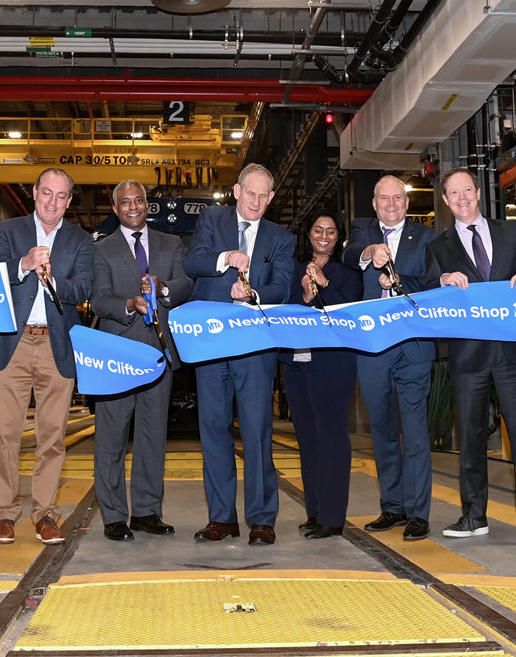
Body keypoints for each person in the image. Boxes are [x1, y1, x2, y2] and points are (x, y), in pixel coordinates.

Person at [424, 167, 516, 542]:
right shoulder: (439, 247)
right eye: (454, 193)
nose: (462, 198)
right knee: (470, 438)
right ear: (447, 201)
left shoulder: (510, 231)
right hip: (468, 357)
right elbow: (427, 292)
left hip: (512, 350)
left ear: (478, 192)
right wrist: (442, 282)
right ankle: (473, 516)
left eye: (467, 189)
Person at [0, 168, 92, 545]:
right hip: (13, 342)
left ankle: (45, 514)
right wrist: (23, 265)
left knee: (53, 437)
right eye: (47, 193)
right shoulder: (9, 231)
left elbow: (85, 286)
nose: (52, 202)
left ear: (69, 201)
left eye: (61, 196)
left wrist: (55, 282)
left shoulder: (80, 240)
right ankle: (5, 513)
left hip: (55, 345)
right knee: (6, 433)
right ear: (34, 192)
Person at [184, 163, 294, 545]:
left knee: (257, 431)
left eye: (265, 196)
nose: (257, 202)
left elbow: (282, 286)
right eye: (251, 194)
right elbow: (192, 262)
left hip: (255, 346)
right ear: (236, 190)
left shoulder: (281, 238)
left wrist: (255, 295)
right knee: (213, 429)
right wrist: (225, 258)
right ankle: (221, 518)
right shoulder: (212, 221)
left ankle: (262, 520)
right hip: (212, 342)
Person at [89, 179, 193, 541]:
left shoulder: (171, 243)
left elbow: (185, 286)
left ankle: (147, 512)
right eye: (125, 202)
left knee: (152, 436)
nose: (133, 207)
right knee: (112, 436)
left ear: (147, 204)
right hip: (118, 353)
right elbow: (98, 299)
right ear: (115, 209)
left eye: (138, 200)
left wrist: (162, 288)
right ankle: (114, 515)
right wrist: (128, 305)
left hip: (159, 354)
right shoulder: (102, 249)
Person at [341, 176, 438, 541]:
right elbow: (348, 255)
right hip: (372, 346)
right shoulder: (363, 230)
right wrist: (368, 253)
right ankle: (392, 507)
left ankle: (418, 513)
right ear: (375, 203)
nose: (392, 204)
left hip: (413, 347)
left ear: (407, 203)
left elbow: (432, 285)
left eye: (398, 198)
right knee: (381, 430)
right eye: (385, 198)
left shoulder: (426, 237)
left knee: (414, 431)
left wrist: (398, 283)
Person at [282, 208, 362, 539]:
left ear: (338, 237)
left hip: (333, 364)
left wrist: (325, 285)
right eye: (318, 230)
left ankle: (332, 517)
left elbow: (348, 312)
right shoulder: (293, 270)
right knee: (307, 439)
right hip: (297, 364)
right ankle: (314, 513)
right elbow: (284, 309)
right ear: (308, 234)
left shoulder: (349, 273)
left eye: (330, 231)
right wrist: (304, 294)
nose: (324, 236)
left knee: (331, 436)